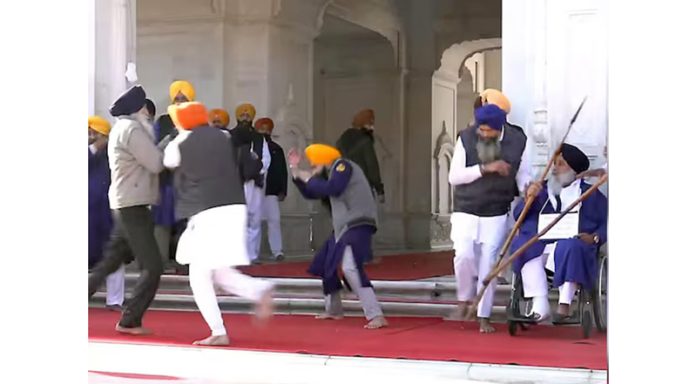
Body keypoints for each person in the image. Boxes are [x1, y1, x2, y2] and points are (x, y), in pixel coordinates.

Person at [163, 101, 274, 346]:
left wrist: (178, 135)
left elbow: (168, 161)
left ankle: (219, 329)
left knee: (199, 274)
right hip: (234, 207)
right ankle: (257, 291)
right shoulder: (223, 135)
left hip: (206, 212)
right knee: (220, 272)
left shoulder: (180, 143)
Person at [88, 85, 170, 335]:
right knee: (153, 266)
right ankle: (130, 320)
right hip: (132, 205)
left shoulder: (125, 129)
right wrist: (170, 142)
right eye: (145, 106)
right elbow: (155, 163)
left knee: (109, 263)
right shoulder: (132, 130)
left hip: (127, 203)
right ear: (138, 109)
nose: (148, 110)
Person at [447, 103, 532, 333]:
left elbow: (523, 174)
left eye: (488, 131)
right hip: (466, 208)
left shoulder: (518, 141)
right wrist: (486, 168)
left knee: (489, 264)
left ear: (499, 128)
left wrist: (528, 187)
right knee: (463, 256)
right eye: (480, 130)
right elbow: (454, 176)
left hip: (496, 210)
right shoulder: (465, 138)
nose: (482, 134)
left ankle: (484, 314)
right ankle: (464, 300)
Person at [288, 144, 388, 329]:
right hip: (344, 228)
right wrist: (295, 171)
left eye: (314, 164)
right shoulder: (332, 173)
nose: (312, 167)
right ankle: (333, 310)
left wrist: (306, 176)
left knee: (350, 268)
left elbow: (333, 188)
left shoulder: (343, 166)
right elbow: (313, 192)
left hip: (358, 223)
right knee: (326, 262)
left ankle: (376, 315)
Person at [511, 144, 607, 322]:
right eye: (554, 163)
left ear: (574, 170)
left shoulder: (590, 194)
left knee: (569, 246)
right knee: (523, 246)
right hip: (542, 245)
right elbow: (519, 217)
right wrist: (528, 199)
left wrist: (594, 238)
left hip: (573, 246)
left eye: (560, 164)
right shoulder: (542, 190)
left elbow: (606, 224)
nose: (554, 169)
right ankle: (540, 305)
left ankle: (565, 305)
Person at [152, 80, 196, 273]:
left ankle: (186, 262)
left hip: (189, 181)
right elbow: (153, 149)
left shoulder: (197, 120)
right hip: (166, 180)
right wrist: (171, 137)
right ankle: (161, 262)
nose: (179, 102)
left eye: (183, 98)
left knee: (188, 224)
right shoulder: (163, 121)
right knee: (163, 222)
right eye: (176, 99)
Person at [88, 115, 125, 311]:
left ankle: (115, 300)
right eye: (90, 133)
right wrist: (93, 148)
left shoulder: (111, 153)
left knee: (113, 255)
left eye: (96, 134)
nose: (92, 137)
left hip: (105, 212)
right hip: (86, 214)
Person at [229, 103, 271, 264]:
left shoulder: (259, 138)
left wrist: (255, 171)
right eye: (242, 115)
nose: (245, 117)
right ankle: (237, 255)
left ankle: (252, 255)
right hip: (235, 183)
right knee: (238, 219)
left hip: (254, 183)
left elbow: (266, 159)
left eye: (248, 115)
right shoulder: (230, 136)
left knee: (254, 219)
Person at [255, 117, 287, 262]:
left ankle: (277, 251)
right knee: (255, 221)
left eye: (267, 128)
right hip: (256, 189)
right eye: (261, 128)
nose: (264, 131)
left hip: (271, 190)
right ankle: (253, 252)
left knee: (274, 220)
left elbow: (282, 170)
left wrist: (282, 189)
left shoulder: (276, 149)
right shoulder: (253, 146)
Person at [335, 109, 385, 203]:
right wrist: (379, 190)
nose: (372, 128)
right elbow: (372, 167)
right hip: (363, 188)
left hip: (344, 190)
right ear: (363, 124)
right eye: (370, 123)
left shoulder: (341, 141)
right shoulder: (365, 141)